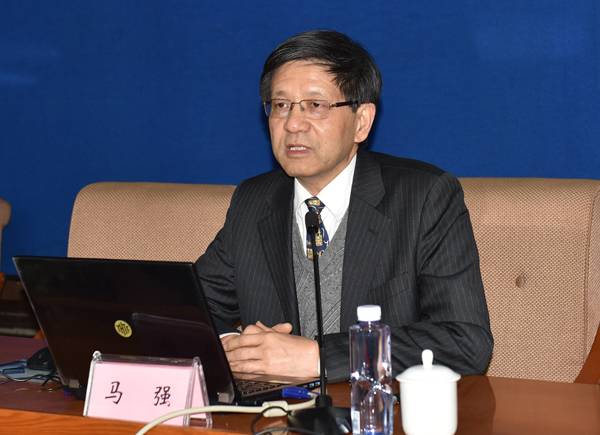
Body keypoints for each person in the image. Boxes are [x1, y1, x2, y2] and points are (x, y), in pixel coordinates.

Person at [194, 30, 493, 382]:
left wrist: (319, 358)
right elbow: (193, 306)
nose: (293, 123)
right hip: (275, 409)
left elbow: (465, 341)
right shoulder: (253, 200)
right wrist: (231, 348)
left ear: (361, 121)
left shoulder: (424, 197)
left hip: (376, 408)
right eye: (281, 105)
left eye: (315, 105)